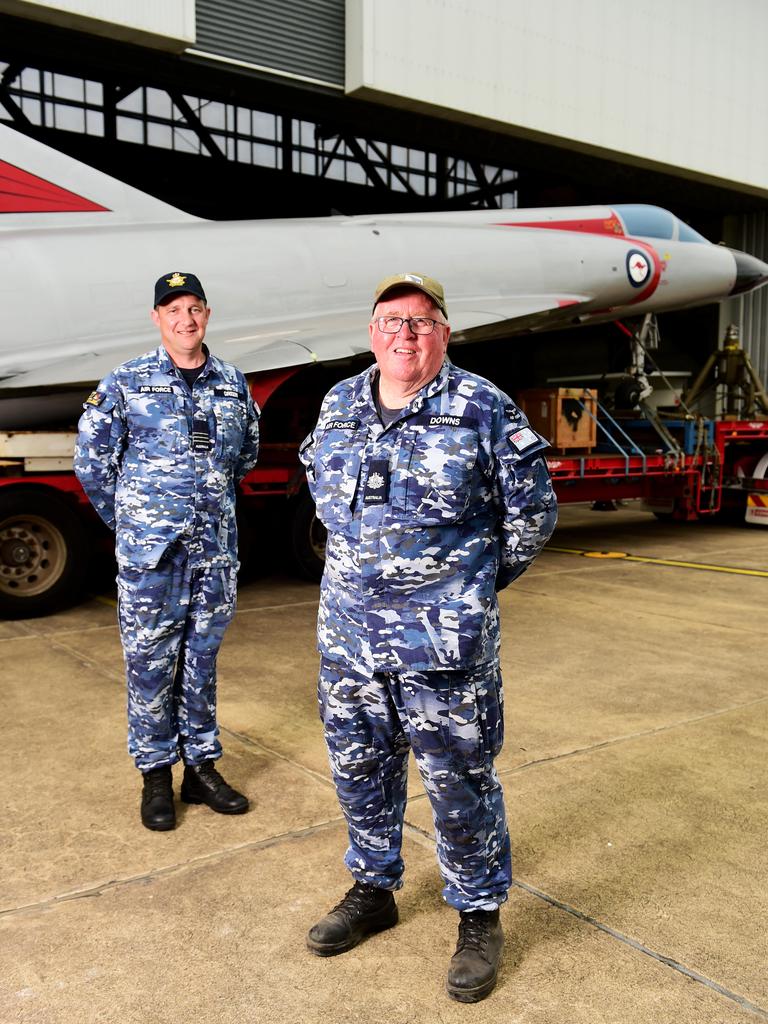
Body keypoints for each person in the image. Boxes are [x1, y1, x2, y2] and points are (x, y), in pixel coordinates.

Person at [299, 272, 557, 1003]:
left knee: (460, 784)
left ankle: (477, 917)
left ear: (445, 332)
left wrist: (466, 587)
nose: (404, 334)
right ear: (372, 331)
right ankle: (372, 890)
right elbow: (320, 488)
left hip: (444, 650)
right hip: (349, 642)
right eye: (390, 320)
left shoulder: (481, 407)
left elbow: (533, 514)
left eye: (420, 321)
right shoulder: (341, 402)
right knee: (357, 772)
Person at [74, 272, 260, 832]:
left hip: (214, 554)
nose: (186, 319)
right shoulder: (127, 382)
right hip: (152, 558)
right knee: (151, 666)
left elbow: (244, 457)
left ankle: (201, 769)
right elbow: (92, 463)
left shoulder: (231, 381)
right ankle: (156, 774)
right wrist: (134, 524)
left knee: (201, 665)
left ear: (208, 314)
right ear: (157, 318)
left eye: (195, 308)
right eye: (173, 309)